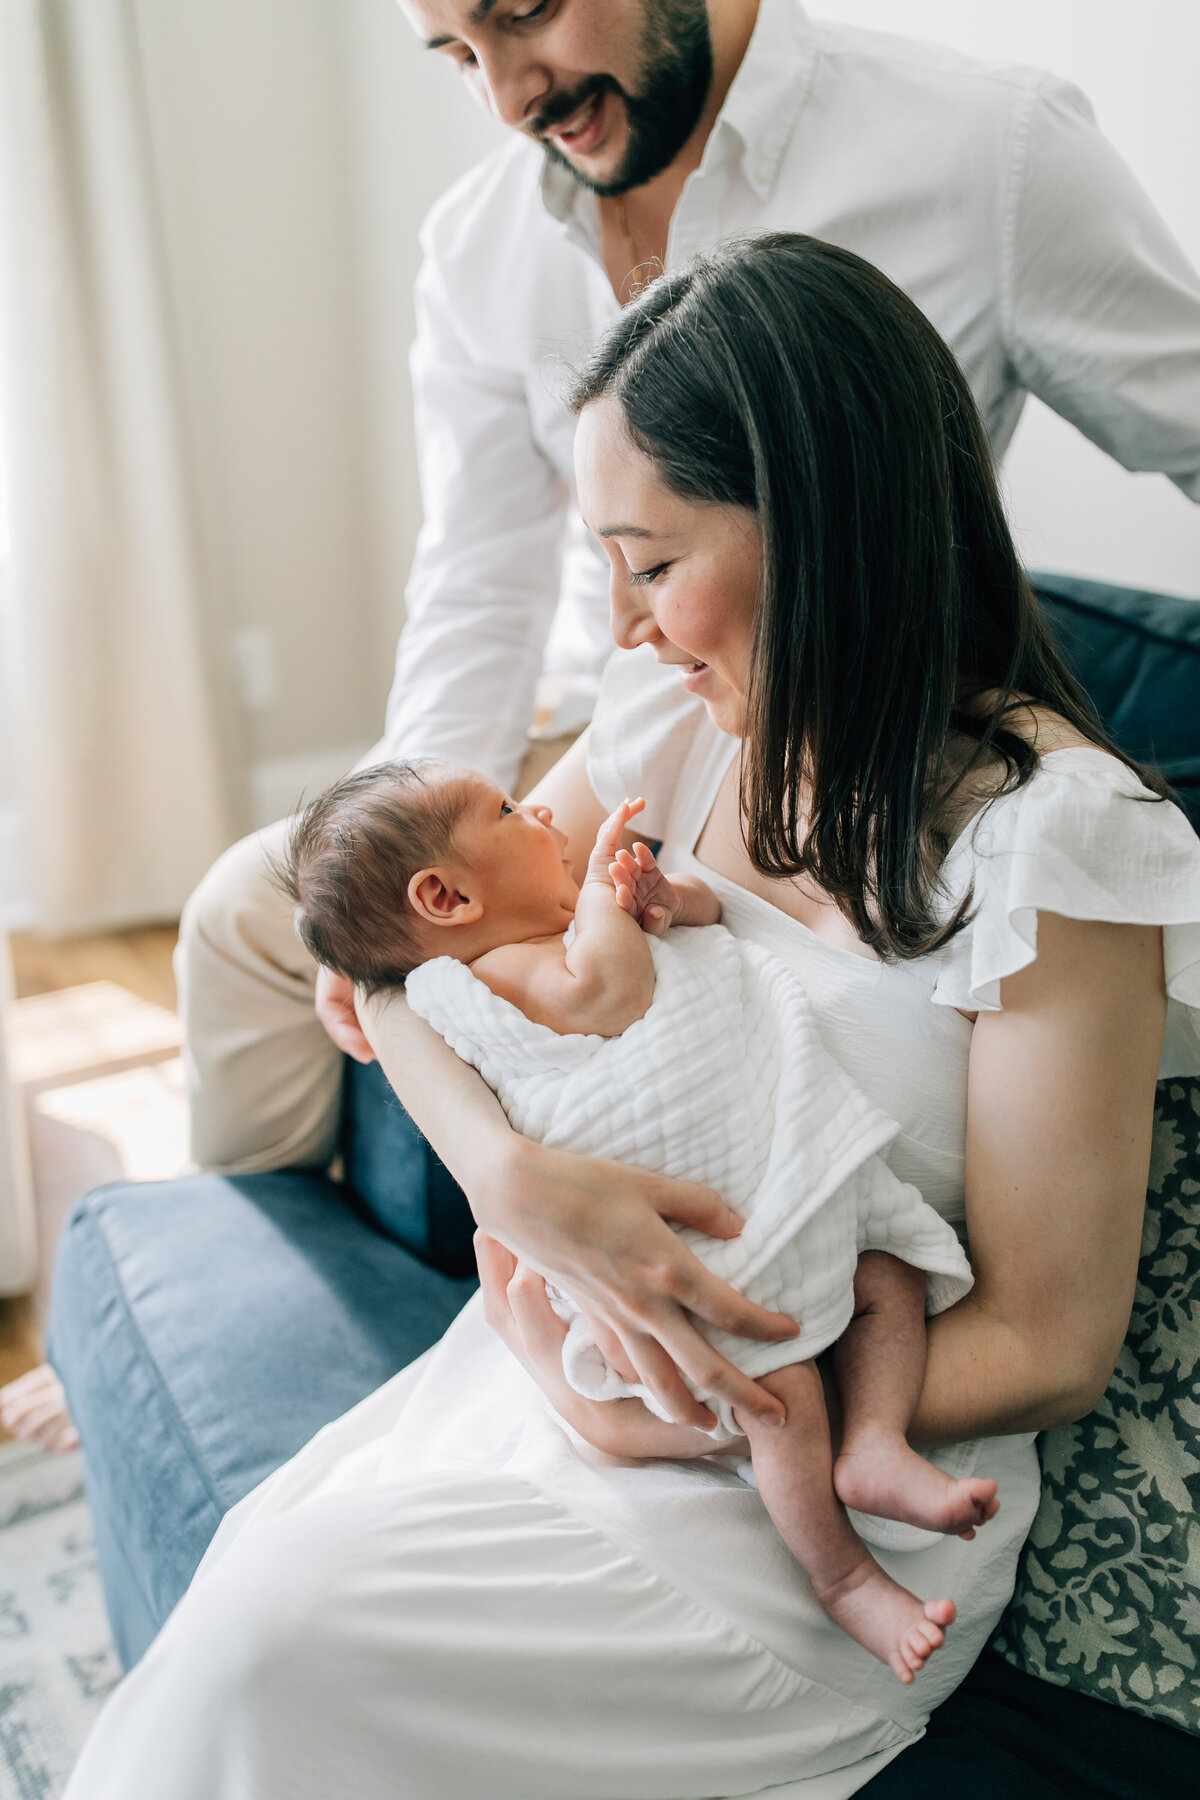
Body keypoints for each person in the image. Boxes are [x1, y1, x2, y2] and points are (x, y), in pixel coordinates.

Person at [60, 233, 1200, 1799]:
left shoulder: (1057, 846)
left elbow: (1052, 1344)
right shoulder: (676, 725)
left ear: (825, 530)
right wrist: (504, 1180)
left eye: (654, 563)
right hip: (552, 1378)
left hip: (800, 1503)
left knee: (283, 1648)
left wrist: (685, 1400)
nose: (627, 623)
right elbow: (399, 978)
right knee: (254, 1627)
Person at [9, 0, 1200, 1449]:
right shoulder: (483, 239)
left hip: (833, 697)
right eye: (456, 54)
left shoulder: (982, 148)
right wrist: (414, 844)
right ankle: (234, 1292)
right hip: (614, 722)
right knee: (245, 917)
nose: (510, 90)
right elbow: (475, 583)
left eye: (522, 12)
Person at [276, 763, 987, 1683]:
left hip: (770, 1173)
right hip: (691, 1232)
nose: (537, 807)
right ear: (446, 897)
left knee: (890, 1266)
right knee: (778, 1394)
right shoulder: (497, 973)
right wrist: (611, 906)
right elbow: (602, 998)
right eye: (506, 811)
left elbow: (707, 927)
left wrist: (663, 895)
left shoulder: (551, 923)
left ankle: (878, 1443)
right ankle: (844, 1576)